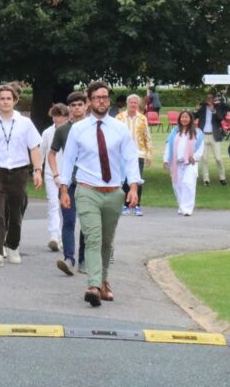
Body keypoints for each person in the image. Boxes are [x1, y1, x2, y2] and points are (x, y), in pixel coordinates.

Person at [59, 81, 141, 307]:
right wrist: (64, 188)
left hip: (114, 192)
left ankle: (104, 281)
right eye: (97, 98)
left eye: (105, 97)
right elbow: (68, 161)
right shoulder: (78, 129)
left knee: (107, 242)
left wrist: (133, 187)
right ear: (89, 102)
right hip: (87, 190)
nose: (102, 101)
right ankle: (94, 285)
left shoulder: (119, 128)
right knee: (93, 239)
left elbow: (130, 158)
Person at [0, 82, 42, 267]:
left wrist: (37, 170)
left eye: (9, 99)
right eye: (2, 99)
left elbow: (34, 148)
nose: (5, 102)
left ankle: (12, 245)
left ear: (15, 101)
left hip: (19, 172)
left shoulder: (25, 123)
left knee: (15, 213)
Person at [48, 90, 88, 276]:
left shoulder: (92, 127)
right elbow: (52, 154)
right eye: (73, 105)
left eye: (80, 104)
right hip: (68, 183)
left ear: (86, 105)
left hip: (88, 182)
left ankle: (84, 259)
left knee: (88, 222)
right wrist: (56, 174)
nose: (77, 108)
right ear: (69, 108)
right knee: (69, 221)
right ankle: (69, 258)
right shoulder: (63, 130)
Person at [115, 94, 152, 216]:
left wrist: (149, 153)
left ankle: (137, 205)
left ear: (138, 105)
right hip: (122, 154)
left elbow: (147, 136)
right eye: (131, 102)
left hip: (138, 153)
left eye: (135, 103)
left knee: (137, 179)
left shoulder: (142, 118)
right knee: (125, 180)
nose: (133, 105)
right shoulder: (119, 118)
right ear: (127, 103)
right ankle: (125, 205)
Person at [163, 110, 203, 215]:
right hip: (176, 163)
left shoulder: (197, 132)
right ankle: (182, 206)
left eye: (186, 117)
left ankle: (187, 209)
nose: (184, 119)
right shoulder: (174, 131)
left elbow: (200, 147)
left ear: (191, 119)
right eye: (182, 117)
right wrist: (166, 159)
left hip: (190, 163)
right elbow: (168, 146)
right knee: (178, 185)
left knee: (188, 184)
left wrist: (195, 157)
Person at [41, 103, 68, 252]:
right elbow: (41, 152)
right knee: (53, 203)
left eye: (59, 116)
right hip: (51, 173)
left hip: (67, 174)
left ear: (66, 116)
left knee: (66, 206)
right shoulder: (47, 133)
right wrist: (37, 170)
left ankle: (63, 236)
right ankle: (54, 236)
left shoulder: (71, 131)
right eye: (54, 116)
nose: (56, 119)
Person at [194, 91, 229, 186]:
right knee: (204, 159)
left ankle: (222, 177)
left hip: (214, 135)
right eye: (207, 98)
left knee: (218, 158)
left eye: (211, 98)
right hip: (203, 135)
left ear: (213, 99)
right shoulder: (202, 108)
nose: (209, 100)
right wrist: (196, 110)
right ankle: (206, 179)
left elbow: (221, 118)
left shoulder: (217, 108)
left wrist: (213, 110)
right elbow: (193, 117)